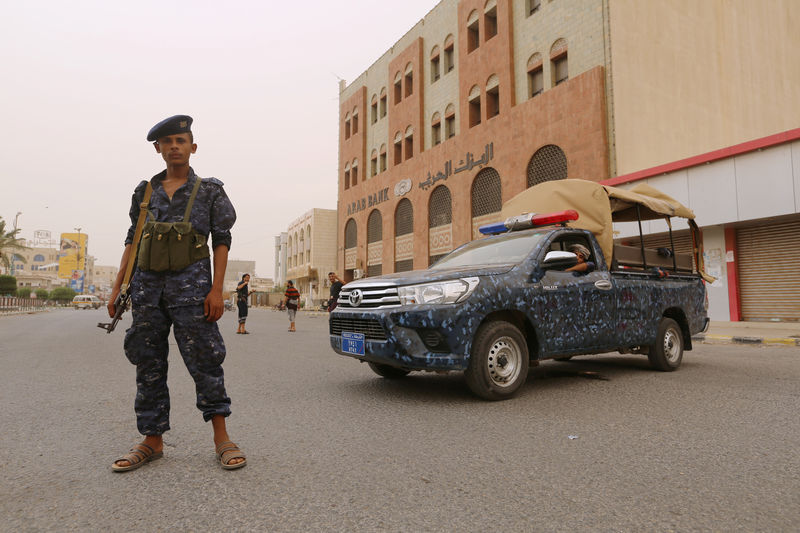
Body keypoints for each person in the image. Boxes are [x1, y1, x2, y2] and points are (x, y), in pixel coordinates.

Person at [108, 115, 245, 472]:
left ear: (192, 147)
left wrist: (218, 290)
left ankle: (222, 438)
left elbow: (222, 240)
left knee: (205, 362)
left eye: (180, 141)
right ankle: (152, 441)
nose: (174, 147)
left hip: (194, 292)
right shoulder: (144, 192)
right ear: (158, 149)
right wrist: (118, 287)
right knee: (148, 364)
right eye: (167, 142)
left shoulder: (210, 191)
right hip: (147, 292)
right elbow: (132, 240)